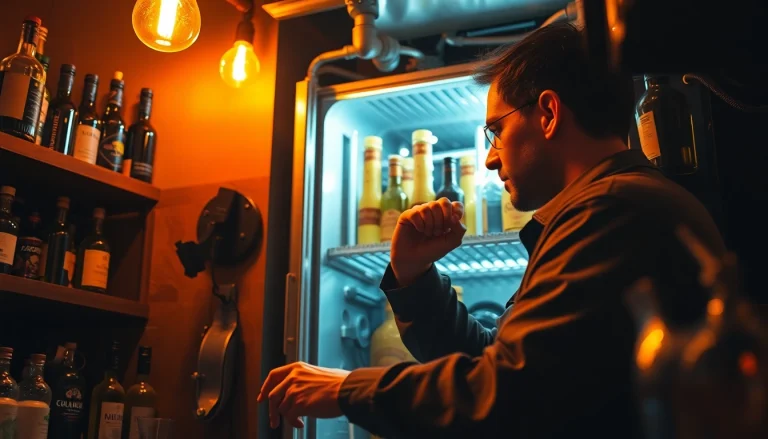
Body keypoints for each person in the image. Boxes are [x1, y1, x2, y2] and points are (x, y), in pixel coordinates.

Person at [258, 22, 726, 437]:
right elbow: (504, 363)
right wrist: (413, 276)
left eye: (495, 132)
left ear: (547, 113)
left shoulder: (610, 210)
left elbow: (506, 394)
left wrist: (346, 389)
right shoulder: (611, 205)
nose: (490, 156)